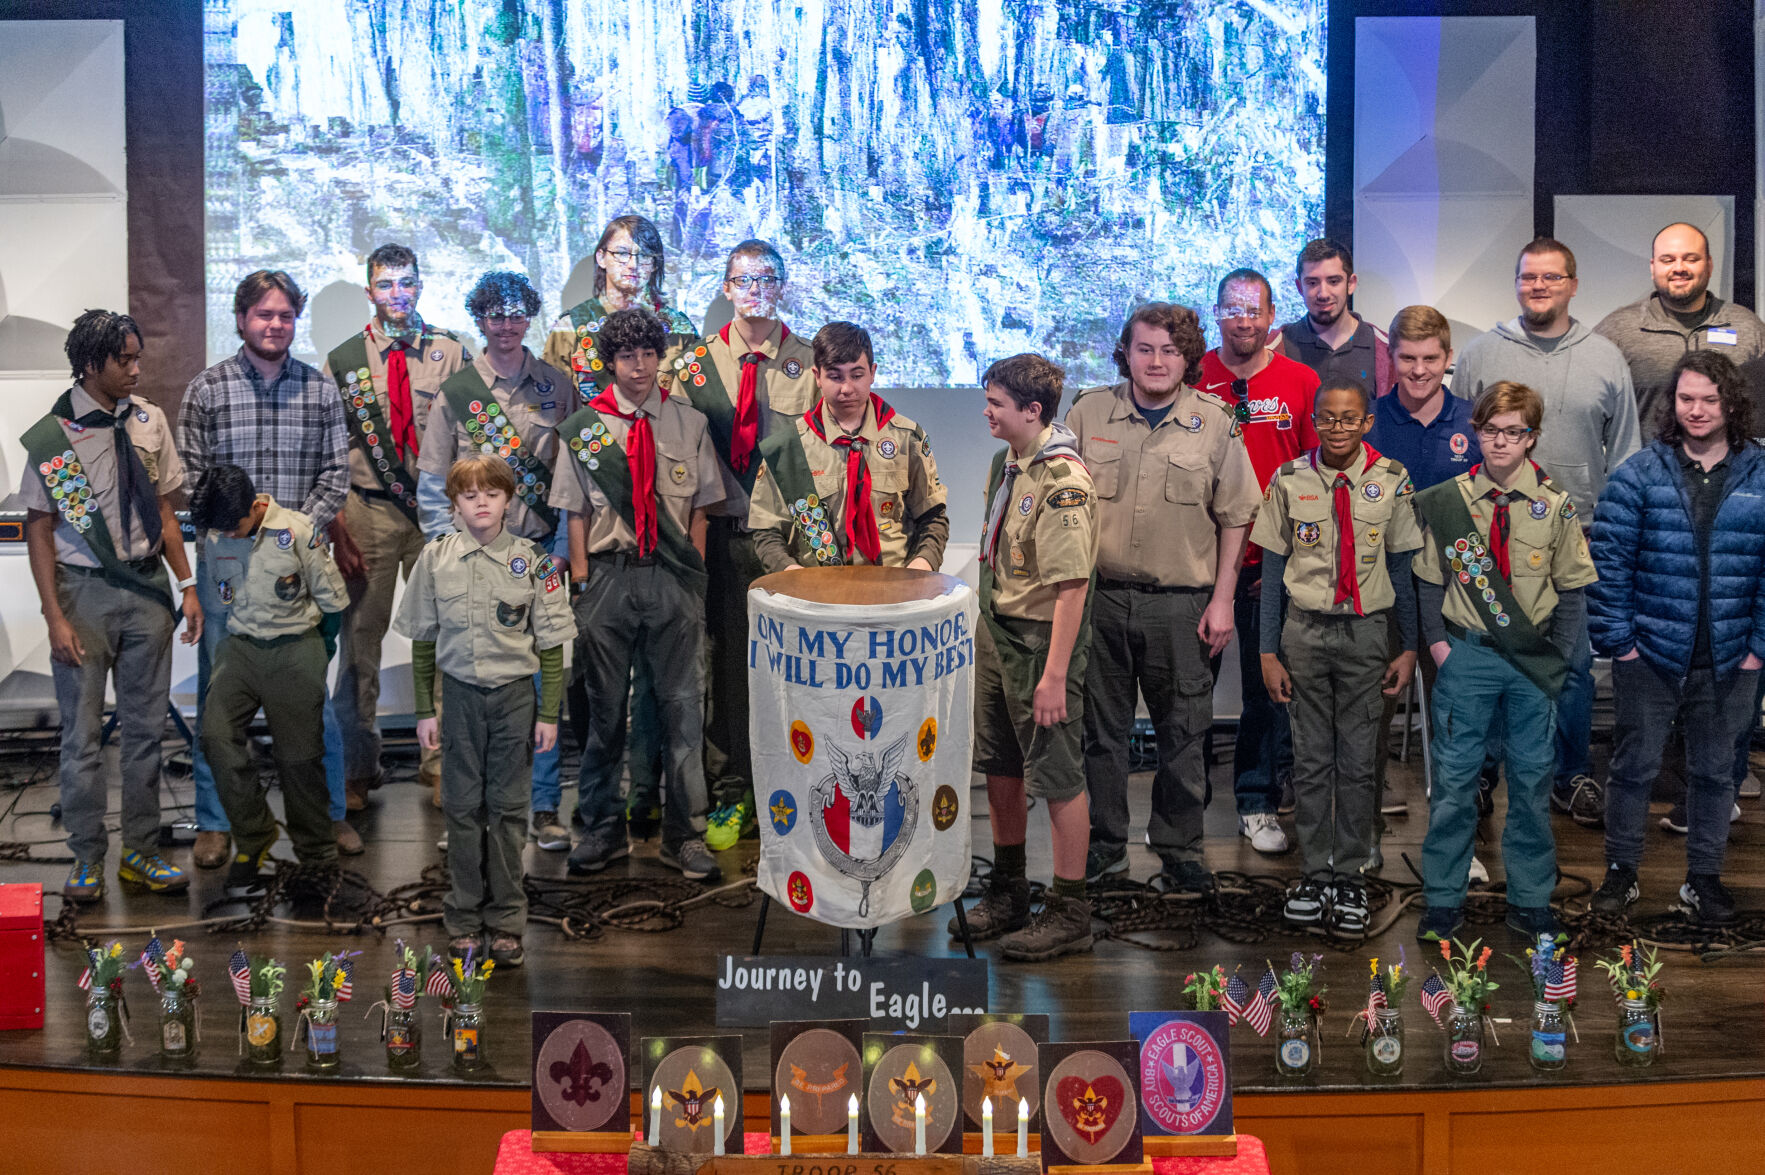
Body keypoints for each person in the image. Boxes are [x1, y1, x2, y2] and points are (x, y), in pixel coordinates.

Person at [1065, 303, 1260, 891]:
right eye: (1145, 348)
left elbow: (1237, 516)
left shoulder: (1216, 422)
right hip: (1100, 600)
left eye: (1169, 351)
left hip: (1181, 605)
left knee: (1184, 733)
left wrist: (1223, 599)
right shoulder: (1088, 412)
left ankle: (1180, 850)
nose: (1156, 361)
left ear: (1187, 358)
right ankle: (1105, 849)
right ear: (1125, 352)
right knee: (1101, 736)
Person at [1449, 238, 1639, 829]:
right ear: (1516, 284)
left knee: (1572, 664)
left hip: (1576, 531)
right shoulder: (1481, 354)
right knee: (1489, 657)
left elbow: (1625, 454)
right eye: (1528, 277)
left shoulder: (1605, 357)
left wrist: (1612, 535)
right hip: (1493, 534)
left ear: (1573, 285)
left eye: (1552, 277)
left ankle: (1570, 775)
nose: (1539, 286)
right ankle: (1484, 774)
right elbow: (1459, 444)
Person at [176, 270, 355, 867]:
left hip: (297, 564)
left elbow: (336, 474)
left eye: (285, 315)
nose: (275, 325)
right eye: (264, 314)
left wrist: (289, 535)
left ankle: (328, 814)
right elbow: (194, 482)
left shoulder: (320, 390)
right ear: (241, 318)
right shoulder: (207, 390)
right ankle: (215, 821)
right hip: (226, 564)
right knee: (219, 694)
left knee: (310, 693)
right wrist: (238, 533)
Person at [22, 310, 202, 902]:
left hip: (148, 590)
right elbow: (40, 528)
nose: (135, 369)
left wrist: (187, 585)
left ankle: (141, 853)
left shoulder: (148, 419)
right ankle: (86, 858)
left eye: (137, 357)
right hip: (83, 594)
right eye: (123, 360)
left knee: (147, 734)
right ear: (90, 363)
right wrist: (54, 616)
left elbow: (166, 511)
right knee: (81, 737)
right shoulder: (55, 435)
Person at [1412, 382, 1598, 942]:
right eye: (1491, 430)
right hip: (1466, 654)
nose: (1500, 441)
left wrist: (1557, 657)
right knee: (1454, 783)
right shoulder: (1451, 502)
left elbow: (1572, 591)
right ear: (1476, 432)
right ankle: (1443, 899)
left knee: (1532, 783)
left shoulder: (1553, 505)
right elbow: (1428, 584)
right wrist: (1439, 648)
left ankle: (1531, 899)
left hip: (1531, 660)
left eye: (1513, 432)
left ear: (1531, 437)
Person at [1588, 351, 1765, 925]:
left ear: (1731, 403)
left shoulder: (1761, 474)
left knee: (1715, 773)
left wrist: (1759, 647)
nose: (1697, 409)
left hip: (1732, 657)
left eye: (1709, 399)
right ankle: (1621, 873)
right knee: (1633, 769)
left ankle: (1703, 879)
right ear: (1673, 402)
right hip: (1649, 655)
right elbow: (1608, 564)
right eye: (1687, 398)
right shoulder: (1639, 472)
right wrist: (1621, 643)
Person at [549, 307, 725, 882]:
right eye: (628, 356)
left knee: (682, 708)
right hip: (607, 577)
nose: (640, 366)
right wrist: (581, 582)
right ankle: (602, 829)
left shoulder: (688, 423)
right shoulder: (585, 428)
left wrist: (693, 577)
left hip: (672, 577)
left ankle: (685, 835)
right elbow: (575, 513)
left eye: (649, 354)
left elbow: (700, 511)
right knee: (603, 712)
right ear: (610, 362)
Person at [543, 216, 697, 841]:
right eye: (623, 253)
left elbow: (685, 416)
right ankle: (597, 812)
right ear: (601, 257)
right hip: (593, 504)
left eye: (646, 255)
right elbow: (560, 414)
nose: (635, 264)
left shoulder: (679, 327)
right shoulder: (569, 328)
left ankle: (648, 799)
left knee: (666, 695)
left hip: (664, 512)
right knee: (598, 689)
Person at [1253, 379, 1421, 933]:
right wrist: (1268, 651)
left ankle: (1349, 873)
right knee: (1309, 759)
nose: (1338, 428)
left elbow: (1402, 569)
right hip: (1304, 634)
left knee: (1358, 759)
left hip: (1367, 634)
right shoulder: (1289, 479)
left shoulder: (1392, 479)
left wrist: (1409, 646)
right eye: (1327, 418)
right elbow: (1273, 572)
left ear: (1367, 422)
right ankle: (1314, 872)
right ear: (1314, 421)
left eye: (1350, 419)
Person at [419, 271, 576, 853]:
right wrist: (447, 552)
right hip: (471, 561)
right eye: (494, 314)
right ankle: (473, 811)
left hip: (535, 556)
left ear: (528, 317)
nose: (506, 325)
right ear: (480, 318)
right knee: (469, 689)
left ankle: (543, 808)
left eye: (516, 314)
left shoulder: (557, 386)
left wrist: (562, 553)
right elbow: (432, 482)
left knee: (540, 686)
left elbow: (572, 478)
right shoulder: (458, 391)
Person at [397, 454, 576, 964]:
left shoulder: (533, 562)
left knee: (509, 811)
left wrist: (548, 714)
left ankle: (506, 920)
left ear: (508, 501)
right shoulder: (435, 559)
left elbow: (551, 646)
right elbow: (423, 641)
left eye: (492, 494)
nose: (481, 503)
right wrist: (424, 710)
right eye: (470, 495)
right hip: (458, 697)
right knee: (461, 808)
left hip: (514, 699)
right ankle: (463, 916)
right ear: (453, 503)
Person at [954, 353, 1099, 961]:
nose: (986, 412)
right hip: (998, 634)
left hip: (1041, 645)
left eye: (996, 404)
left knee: (1058, 776)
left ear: (1032, 410)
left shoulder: (1063, 483)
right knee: (1001, 767)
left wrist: (1055, 676)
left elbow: (1072, 587)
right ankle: (1009, 890)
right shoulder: (1007, 463)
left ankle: (1070, 910)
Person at [674, 240, 817, 851]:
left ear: (782, 286)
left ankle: (799, 789)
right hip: (723, 538)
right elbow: (679, 460)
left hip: (791, 546)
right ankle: (734, 788)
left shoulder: (812, 361)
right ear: (725, 288)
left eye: (767, 279)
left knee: (798, 670)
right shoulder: (693, 367)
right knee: (729, 670)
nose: (755, 290)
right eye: (743, 280)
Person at [322, 243, 472, 814]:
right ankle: (358, 767)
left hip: (437, 514)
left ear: (420, 286)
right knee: (359, 644)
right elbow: (329, 450)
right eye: (385, 284)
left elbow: (469, 438)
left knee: (446, 637)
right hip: (369, 511)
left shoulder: (450, 352)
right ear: (370, 292)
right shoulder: (344, 361)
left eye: (406, 282)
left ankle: (441, 766)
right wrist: (337, 525)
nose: (397, 294)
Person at [1196, 269, 1321, 843]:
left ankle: (1257, 801)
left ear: (1272, 316)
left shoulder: (1301, 380)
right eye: (1232, 309)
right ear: (1217, 314)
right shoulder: (1195, 376)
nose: (1243, 320)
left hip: (1271, 567)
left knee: (1265, 693)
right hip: (1200, 563)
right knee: (1190, 694)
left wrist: (1296, 559)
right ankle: (1186, 805)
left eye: (1254, 310)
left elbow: (1316, 474)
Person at [188, 465, 348, 891]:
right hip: (241, 645)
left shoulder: (297, 530)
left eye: (234, 526)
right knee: (215, 736)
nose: (228, 534)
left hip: (295, 643)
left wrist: (319, 655)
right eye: (221, 529)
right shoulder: (219, 533)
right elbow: (223, 594)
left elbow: (332, 602)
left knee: (299, 758)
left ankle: (317, 854)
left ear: (255, 506)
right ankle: (254, 834)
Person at [1365, 306, 1481, 864]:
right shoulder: (1367, 420)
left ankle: (1459, 843)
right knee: (1372, 717)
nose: (1418, 370)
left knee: (1457, 721)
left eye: (1430, 358)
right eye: (1407, 358)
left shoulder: (1474, 422)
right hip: (1382, 591)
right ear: (1390, 358)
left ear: (1448, 357)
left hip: (1457, 595)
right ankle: (1363, 840)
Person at [748, 321, 948, 572]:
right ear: (817, 376)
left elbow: (933, 518)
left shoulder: (907, 439)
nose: (846, 388)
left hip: (894, 584)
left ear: (873, 372)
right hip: (816, 586)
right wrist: (791, 575)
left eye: (857, 375)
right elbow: (767, 532)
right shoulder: (788, 448)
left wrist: (921, 566)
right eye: (835, 376)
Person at [1595, 222, 1765, 444]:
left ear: (1709, 265)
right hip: (1645, 465)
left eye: (1691, 259)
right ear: (1653, 267)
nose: (1679, 268)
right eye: (1667, 260)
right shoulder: (1618, 330)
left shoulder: (1747, 326)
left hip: (1731, 465)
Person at [1272, 238, 1391, 398]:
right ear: (1300, 287)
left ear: (1351, 284)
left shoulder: (1386, 349)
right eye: (1312, 283)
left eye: (1333, 281)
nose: (1323, 294)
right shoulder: (1276, 347)